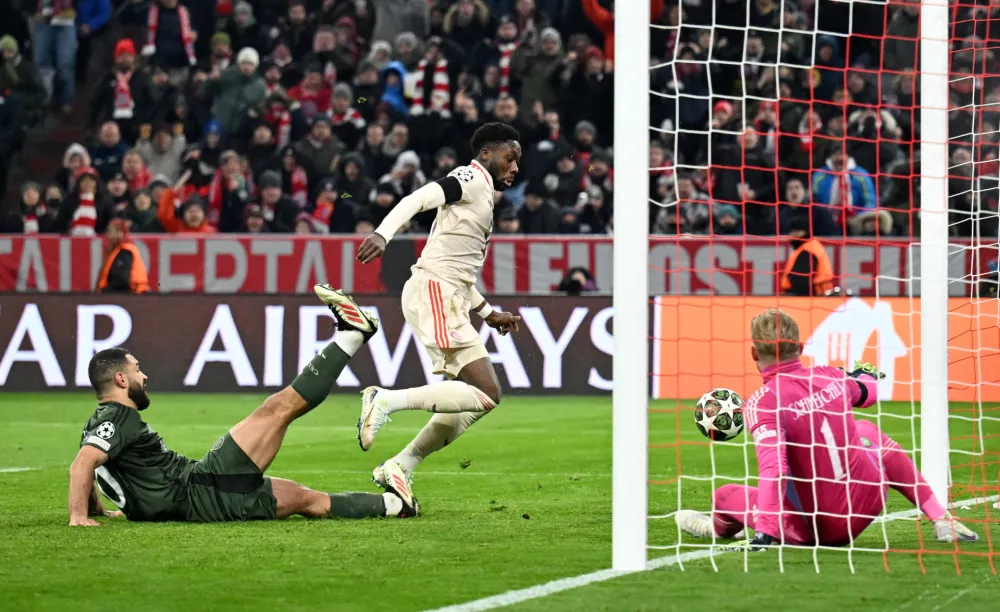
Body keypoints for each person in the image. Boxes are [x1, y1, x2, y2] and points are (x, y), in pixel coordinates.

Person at [68, 286, 418, 525]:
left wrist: (97, 509)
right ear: (120, 381)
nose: (144, 377)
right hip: (201, 488)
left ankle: (395, 506)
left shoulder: (97, 422)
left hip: (204, 502)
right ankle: (352, 335)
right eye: (137, 370)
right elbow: (82, 465)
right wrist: (78, 517)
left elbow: (96, 465)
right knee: (278, 408)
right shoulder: (119, 414)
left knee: (306, 499)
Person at [674, 309, 979, 548]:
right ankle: (942, 518)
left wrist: (766, 531)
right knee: (868, 431)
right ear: (801, 347)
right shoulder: (831, 376)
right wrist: (864, 375)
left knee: (725, 495)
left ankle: (715, 528)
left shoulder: (762, 402)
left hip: (816, 529)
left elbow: (775, 470)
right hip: (867, 503)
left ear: (754, 354)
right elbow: (868, 392)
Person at [352, 122, 523, 489]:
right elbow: (417, 199)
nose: (515, 168)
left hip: (448, 293)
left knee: (476, 400)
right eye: (510, 158)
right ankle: (385, 400)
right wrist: (384, 233)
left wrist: (488, 313)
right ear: (486, 154)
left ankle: (399, 465)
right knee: (486, 393)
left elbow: (462, 272)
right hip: (434, 290)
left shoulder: (484, 195)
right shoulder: (470, 177)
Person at [96, 218, 149, 294]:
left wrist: (105, 291)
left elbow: (122, 281)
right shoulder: (118, 250)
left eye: (110, 231)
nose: (107, 235)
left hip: (134, 295)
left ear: (120, 233)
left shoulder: (125, 251)